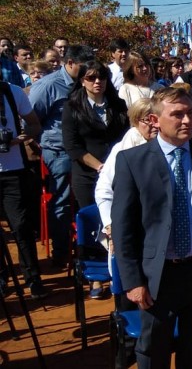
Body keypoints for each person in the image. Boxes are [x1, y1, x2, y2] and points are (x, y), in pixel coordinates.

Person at [112, 86, 192, 368]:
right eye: (177, 114)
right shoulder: (132, 161)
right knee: (153, 348)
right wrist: (132, 281)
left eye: (191, 113)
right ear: (155, 120)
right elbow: (124, 228)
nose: (186, 121)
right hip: (158, 275)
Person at [62, 60, 129, 296]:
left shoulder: (118, 104)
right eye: (91, 78)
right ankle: (96, 278)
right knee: (93, 225)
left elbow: (126, 137)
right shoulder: (72, 107)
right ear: (82, 81)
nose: (97, 82)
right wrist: (101, 167)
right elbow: (73, 146)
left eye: (101, 77)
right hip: (88, 174)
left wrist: (115, 166)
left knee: (118, 221)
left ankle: (119, 271)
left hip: (119, 173)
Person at [29, 45, 95, 266]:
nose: (88, 71)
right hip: (59, 152)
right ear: (69, 63)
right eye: (83, 66)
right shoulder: (47, 86)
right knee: (63, 200)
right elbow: (31, 120)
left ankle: (92, 246)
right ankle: (62, 250)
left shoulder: (87, 83)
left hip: (87, 150)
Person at [0, 76, 47, 298]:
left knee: (21, 226)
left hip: (14, 171)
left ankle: (32, 277)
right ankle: (2, 277)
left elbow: (34, 124)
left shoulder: (14, 92)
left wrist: (19, 139)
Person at [94, 98, 157, 262]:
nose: (153, 124)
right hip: (125, 227)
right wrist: (111, 227)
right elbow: (103, 191)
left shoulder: (166, 147)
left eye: (155, 118)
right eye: (146, 120)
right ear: (136, 121)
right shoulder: (122, 150)